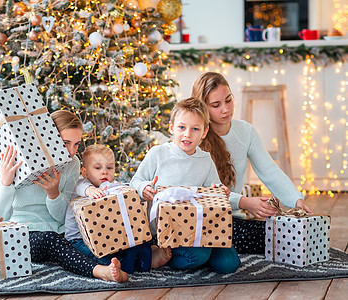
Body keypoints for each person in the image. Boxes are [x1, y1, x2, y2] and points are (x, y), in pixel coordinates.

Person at [0, 110, 128, 282]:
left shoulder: (72, 163)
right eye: (65, 143)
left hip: (60, 232)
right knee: (50, 239)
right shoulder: (16, 159)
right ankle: (100, 271)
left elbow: (64, 218)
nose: (71, 151)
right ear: (48, 136)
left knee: (91, 234)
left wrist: (53, 195)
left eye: (76, 144)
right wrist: (5, 184)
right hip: (24, 234)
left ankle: (133, 262)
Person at [191, 72, 312, 254]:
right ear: (203, 107)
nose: (225, 109)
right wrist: (244, 202)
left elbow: (270, 171)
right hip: (202, 219)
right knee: (272, 240)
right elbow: (201, 191)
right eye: (216, 105)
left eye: (229, 100)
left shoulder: (246, 132)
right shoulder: (194, 137)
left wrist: (296, 199)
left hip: (233, 220)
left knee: (286, 235)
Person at [130, 98, 241, 274]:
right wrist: (144, 187)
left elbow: (214, 189)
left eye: (195, 129)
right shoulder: (158, 153)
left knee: (230, 264)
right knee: (197, 256)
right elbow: (135, 181)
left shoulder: (205, 159)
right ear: (172, 127)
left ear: (204, 132)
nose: (187, 134)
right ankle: (162, 255)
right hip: (169, 232)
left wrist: (220, 191)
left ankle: (202, 254)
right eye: (182, 127)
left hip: (201, 227)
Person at [64, 144, 171, 274]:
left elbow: (130, 196)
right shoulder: (81, 184)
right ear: (85, 172)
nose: (104, 171)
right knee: (99, 258)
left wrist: (144, 192)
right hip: (80, 240)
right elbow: (80, 187)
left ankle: (149, 259)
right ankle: (117, 267)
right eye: (98, 167)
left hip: (108, 237)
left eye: (109, 167)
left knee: (139, 242)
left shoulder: (112, 186)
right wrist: (90, 190)